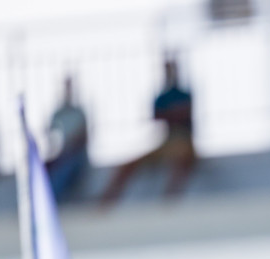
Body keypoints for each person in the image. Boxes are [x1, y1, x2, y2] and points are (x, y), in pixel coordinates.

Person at [100, 58, 196, 206]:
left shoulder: (184, 94)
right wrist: (174, 113)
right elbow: (157, 116)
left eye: (171, 69)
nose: (169, 73)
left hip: (184, 141)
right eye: (167, 70)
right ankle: (105, 203)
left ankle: (170, 202)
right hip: (166, 143)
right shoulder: (162, 97)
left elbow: (182, 113)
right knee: (128, 165)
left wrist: (170, 114)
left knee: (182, 160)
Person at [46, 77, 90, 201]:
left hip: (76, 159)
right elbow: (50, 139)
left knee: (65, 169)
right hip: (62, 157)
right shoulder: (57, 114)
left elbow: (82, 138)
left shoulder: (79, 113)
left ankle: (51, 200)